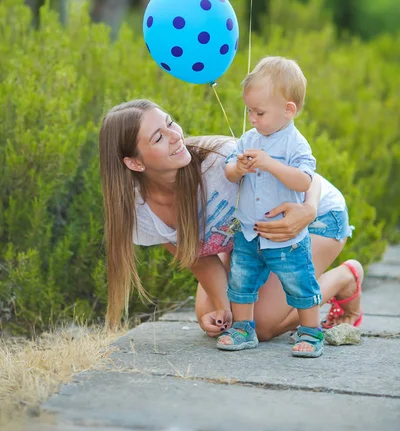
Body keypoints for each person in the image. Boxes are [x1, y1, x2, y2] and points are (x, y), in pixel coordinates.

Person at [99, 99, 363, 351]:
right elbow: (200, 259)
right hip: (251, 242)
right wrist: (226, 311)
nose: (175, 135)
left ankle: (346, 278)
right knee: (215, 318)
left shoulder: (218, 160)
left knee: (260, 326)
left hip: (316, 220)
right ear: (134, 162)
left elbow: (309, 177)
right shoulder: (143, 213)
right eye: (158, 137)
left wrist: (308, 209)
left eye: (170, 123)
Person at [219, 56, 321, 356]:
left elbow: (304, 181)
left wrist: (269, 164)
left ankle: (311, 332)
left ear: (288, 110)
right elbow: (228, 170)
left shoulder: (295, 144)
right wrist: (237, 169)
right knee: (241, 279)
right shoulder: (249, 138)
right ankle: (242, 328)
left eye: (259, 112)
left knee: (299, 281)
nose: (252, 118)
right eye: (249, 111)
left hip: (285, 238)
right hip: (250, 232)